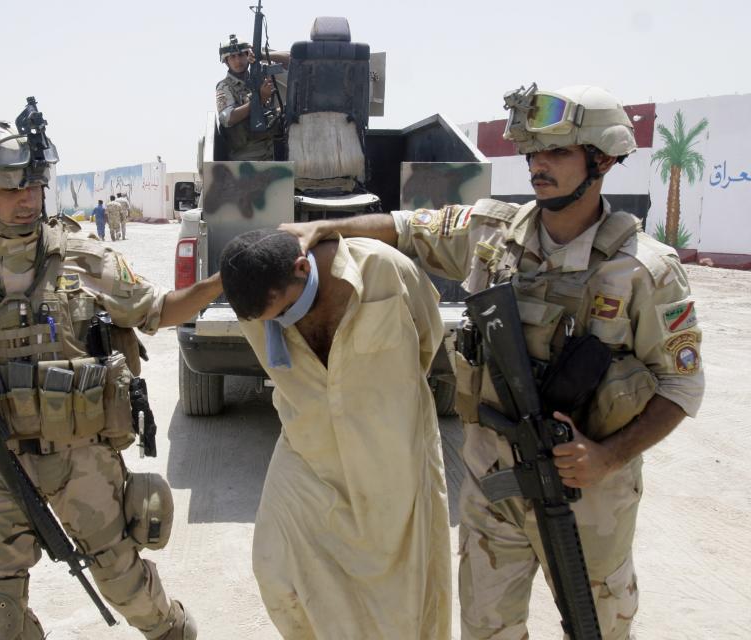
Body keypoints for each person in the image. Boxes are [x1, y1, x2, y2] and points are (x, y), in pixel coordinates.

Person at [280, 84, 705, 639]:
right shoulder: (491, 234)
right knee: (486, 629)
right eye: (533, 154)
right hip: (493, 483)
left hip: (587, 494)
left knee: (597, 626)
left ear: (600, 160)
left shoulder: (644, 270)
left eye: (556, 153)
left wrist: (606, 456)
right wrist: (326, 229)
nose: (538, 166)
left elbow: (682, 387)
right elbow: (407, 228)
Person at [0, 108, 222, 640]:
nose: (29, 198)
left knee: (129, 591)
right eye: (13, 190)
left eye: (35, 185)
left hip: (83, 460)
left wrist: (223, 282)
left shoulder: (84, 258)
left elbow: (158, 310)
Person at [219, 229, 451, 639]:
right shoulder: (259, 304)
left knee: (402, 601)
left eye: (286, 309)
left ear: (302, 268)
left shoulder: (383, 270)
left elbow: (427, 341)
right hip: (307, 451)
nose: (281, 324)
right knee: (276, 568)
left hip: (392, 453)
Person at [215, 34, 289, 161]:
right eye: (232, 57)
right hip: (245, 158)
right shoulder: (224, 86)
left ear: (247, 56)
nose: (238, 61)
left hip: (273, 153)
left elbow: (292, 60)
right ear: (226, 61)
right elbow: (227, 118)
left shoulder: (259, 76)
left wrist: (262, 55)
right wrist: (258, 99)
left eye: (241, 55)